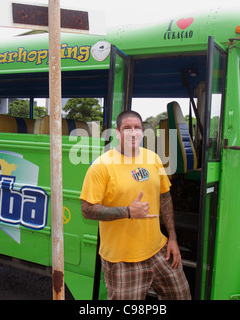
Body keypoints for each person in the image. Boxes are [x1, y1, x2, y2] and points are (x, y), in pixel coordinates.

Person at [80, 110, 191, 300]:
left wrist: (172, 238)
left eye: (137, 128)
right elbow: (87, 209)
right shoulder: (101, 166)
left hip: (158, 251)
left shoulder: (153, 159)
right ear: (117, 132)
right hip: (122, 260)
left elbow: (165, 196)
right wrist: (128, 211)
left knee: (182, 296)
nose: (133, 133)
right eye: (127, 128)